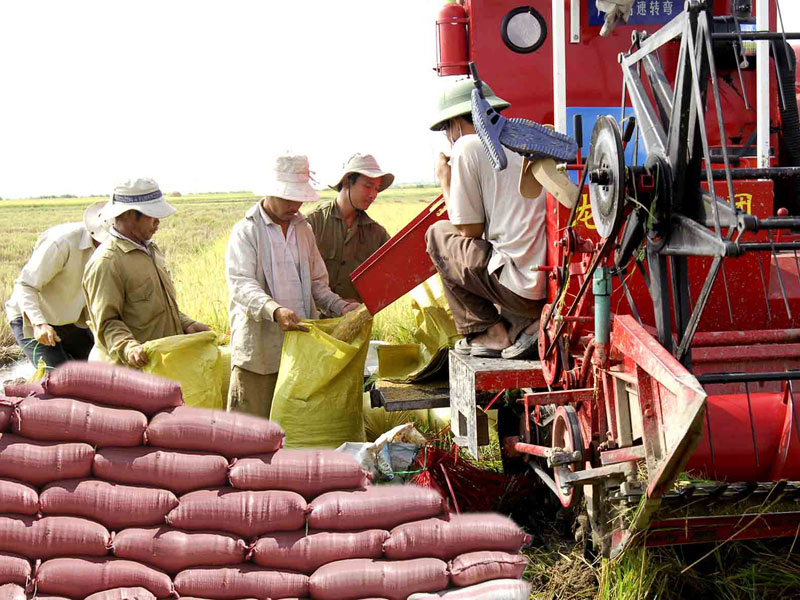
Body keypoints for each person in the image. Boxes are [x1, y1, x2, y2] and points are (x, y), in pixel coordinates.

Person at [225, 154, 360, 417]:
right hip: (259, 354)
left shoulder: (303, 229)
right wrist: (274, 310)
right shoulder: (246, 231)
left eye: (298, 197)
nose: (295, 204)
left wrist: (341, 306)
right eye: (288, 197)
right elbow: (241, 284)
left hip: (300, 350)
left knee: (293, 425)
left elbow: (317, 283)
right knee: (251, 425)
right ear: (270, 192)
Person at [425, 78, 547, 360]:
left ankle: (489, 332)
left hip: (519, 289)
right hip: (545, 285)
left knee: (438, 234)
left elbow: (468, 230)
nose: (448, 136)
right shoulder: (524, 140)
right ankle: (524, 324)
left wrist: (445, 181)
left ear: (455, 124)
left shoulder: (468, 145)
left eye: (447, 129)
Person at [82, 178, 210, 367]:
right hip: (131, 373)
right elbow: (107, 322)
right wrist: (129, 348)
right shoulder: (107, 262)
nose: (158, 221)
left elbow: (158, 306)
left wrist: (187, 324)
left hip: (162, 364)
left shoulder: (151, 250)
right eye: (152, 215)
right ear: (128, 214)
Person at [5, 202, 110, 368]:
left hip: (70, 318)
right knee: (58, 374)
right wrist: (39, 325)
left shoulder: (113, 253)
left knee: (98, 369)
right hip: (32, 317)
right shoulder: (63, 242)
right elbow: (25, 285)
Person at [306, 153, 393, 304]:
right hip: (315, 316)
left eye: (376, 189)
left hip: (355, 317)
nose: (373, 195)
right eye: (367, 186)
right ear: (347, 181)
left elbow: (396, 268)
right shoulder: (313, 223)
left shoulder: (377, 234)